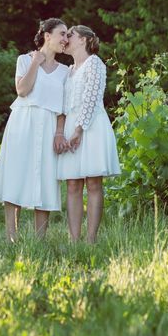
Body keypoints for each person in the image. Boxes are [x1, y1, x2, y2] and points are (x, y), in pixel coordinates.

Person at [0, 18, 69, 242]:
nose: (65, 39)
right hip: (23, 122)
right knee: (16, 174)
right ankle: (11, 237)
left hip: (49, 126)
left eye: (67, 35)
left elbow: (63, 108)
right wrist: (36, 62)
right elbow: (22, 90)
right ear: (47, 36)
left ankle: (39, 241)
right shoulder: (24, 60)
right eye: (62, 34)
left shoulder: (65, 71)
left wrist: (59, 132)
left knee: (45, 178)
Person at [56, 25, 120, 243]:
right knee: (73, 184)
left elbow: (92, 98)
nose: (65, 39)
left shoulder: (95, 64)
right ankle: (74, 239)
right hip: (71, 126)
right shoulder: (69, 70)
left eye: (70, 35)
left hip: (90, 127)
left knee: (93, 183)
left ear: (83, 39)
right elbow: (64, 104)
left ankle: (91, 238)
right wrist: (64, 132)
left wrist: (79, 129)